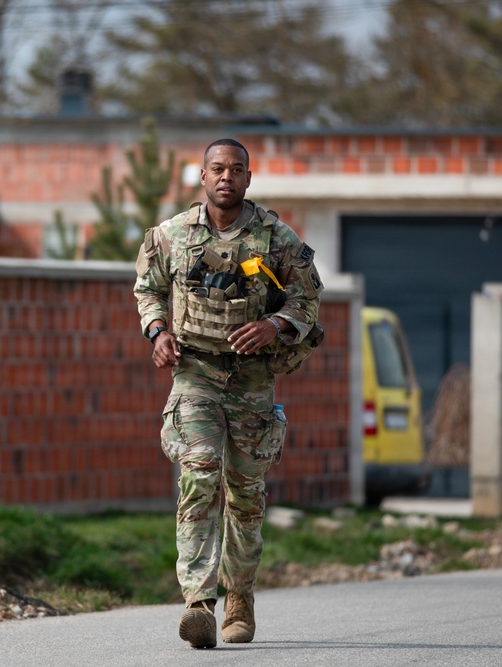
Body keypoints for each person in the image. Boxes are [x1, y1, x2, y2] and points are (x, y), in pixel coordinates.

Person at [133, 138, 323, 649]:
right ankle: (198, 600)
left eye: (236, 169)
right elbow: (147, 288)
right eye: (217, 169)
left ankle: (239, 595)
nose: (226, 177)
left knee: (245, 495)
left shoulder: (275, 238)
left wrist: (276, 324)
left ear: (248, 177)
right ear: (202, 176)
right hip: (194, 373)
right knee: (197, 472)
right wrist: (157, 332)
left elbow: (308, 296)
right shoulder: (170, 235)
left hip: (252, 380)